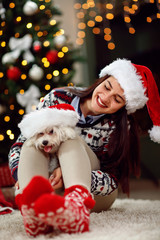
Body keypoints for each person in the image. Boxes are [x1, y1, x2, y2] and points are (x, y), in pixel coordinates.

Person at [8, 58, 160, 237]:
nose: (105, 98)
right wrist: (20, 172)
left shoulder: (120, 127)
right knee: (34, 140)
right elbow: (19, 145)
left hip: (94, 193)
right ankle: (33, 211)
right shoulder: (56, 97)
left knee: (70, 138)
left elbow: (112, 182)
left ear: (124, 106)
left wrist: (66, 173)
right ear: (102, 80)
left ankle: (75, 209)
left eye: (117, 99)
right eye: (107, 87)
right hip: (50, 184)